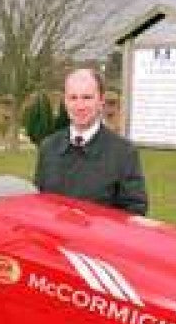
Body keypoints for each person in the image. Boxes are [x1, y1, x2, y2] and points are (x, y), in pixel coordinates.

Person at [34, 68, 148, 215]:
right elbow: (40, 203)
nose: (79, 106)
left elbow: (135, 211)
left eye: (87, 97)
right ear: (65, 102)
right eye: (73, 98)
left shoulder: (123, 152)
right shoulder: (49, 147)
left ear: (101, 101)